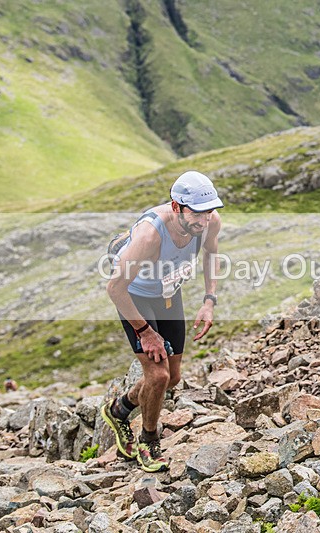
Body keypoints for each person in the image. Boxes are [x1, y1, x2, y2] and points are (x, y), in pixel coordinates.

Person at [101, 171, 223, 472]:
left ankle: (120, 409)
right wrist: (145, 331)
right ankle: (149, 439)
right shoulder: (150, 235)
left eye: (207, 213)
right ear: (176, 206)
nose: (203, 221)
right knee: (157, 376)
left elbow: (211, 255)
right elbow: (114, 288)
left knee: (173, 377)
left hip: (169, 294)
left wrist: (209, 300)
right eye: (196, 213)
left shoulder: (210, 222)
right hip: (135, 297)